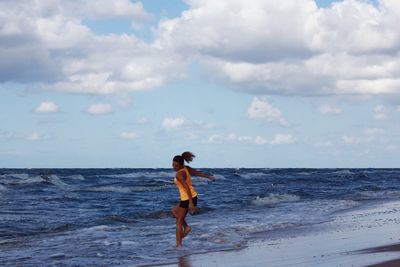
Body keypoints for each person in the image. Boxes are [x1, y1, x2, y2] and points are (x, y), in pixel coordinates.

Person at [171, 151, 215, 247]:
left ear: (182, 165)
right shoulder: (186, 168)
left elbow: (187, 187)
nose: (174, 167)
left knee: (178, 222)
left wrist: (191, 203)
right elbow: (196, 173)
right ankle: (186, 227)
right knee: (174, 211)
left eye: (176, 166)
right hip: (190, 197)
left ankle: (179, 246)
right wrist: (208, 177)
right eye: (173, 164)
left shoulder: (179, 174)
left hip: (188, 198)